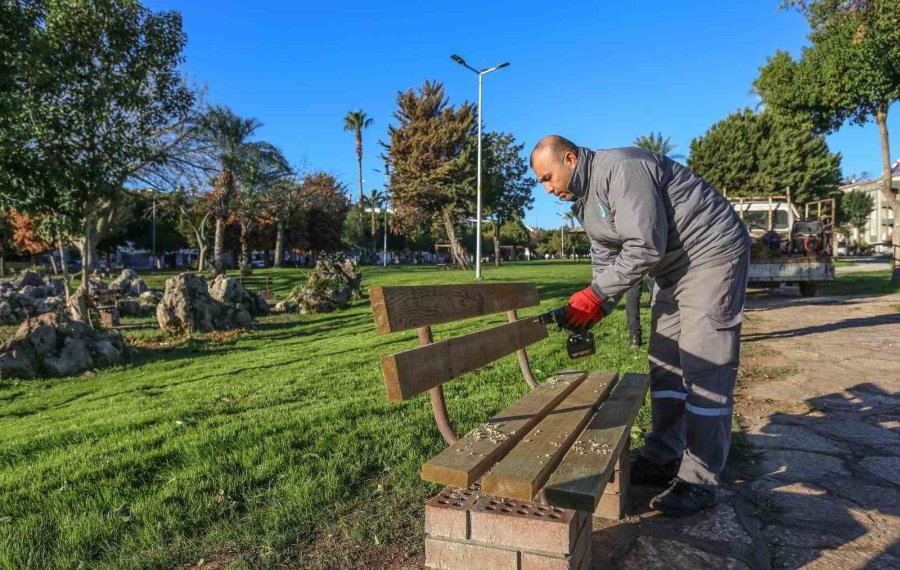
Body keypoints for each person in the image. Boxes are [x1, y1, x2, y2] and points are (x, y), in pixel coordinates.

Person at [530, 135, 751, 516]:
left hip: (710, 256)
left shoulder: (621, 168)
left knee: (704, 366)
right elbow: (606, 262)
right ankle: (664, 456)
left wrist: (595, 295)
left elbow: (644, 247)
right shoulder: (584, 203)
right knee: (664, 363)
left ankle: (699, 480)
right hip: (672, 270)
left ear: (570, 158)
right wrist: (599, 304)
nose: (548, 189)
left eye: (549, 178)